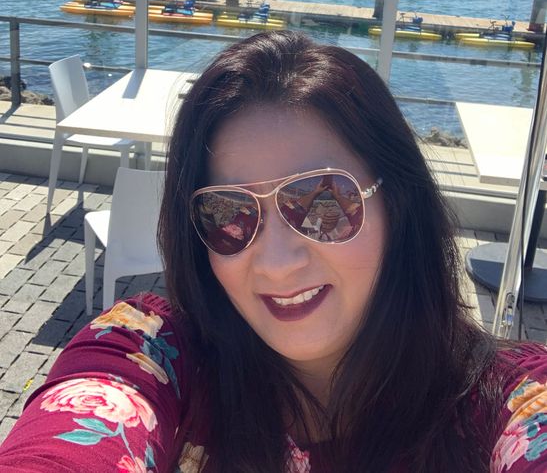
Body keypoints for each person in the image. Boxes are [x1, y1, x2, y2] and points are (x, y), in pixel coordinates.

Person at [0, 29, 546, 472]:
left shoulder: (508, 404)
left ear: (397, 205)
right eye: (228, 215)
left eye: (321, 201)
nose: (277, 260)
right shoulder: (150, 354)